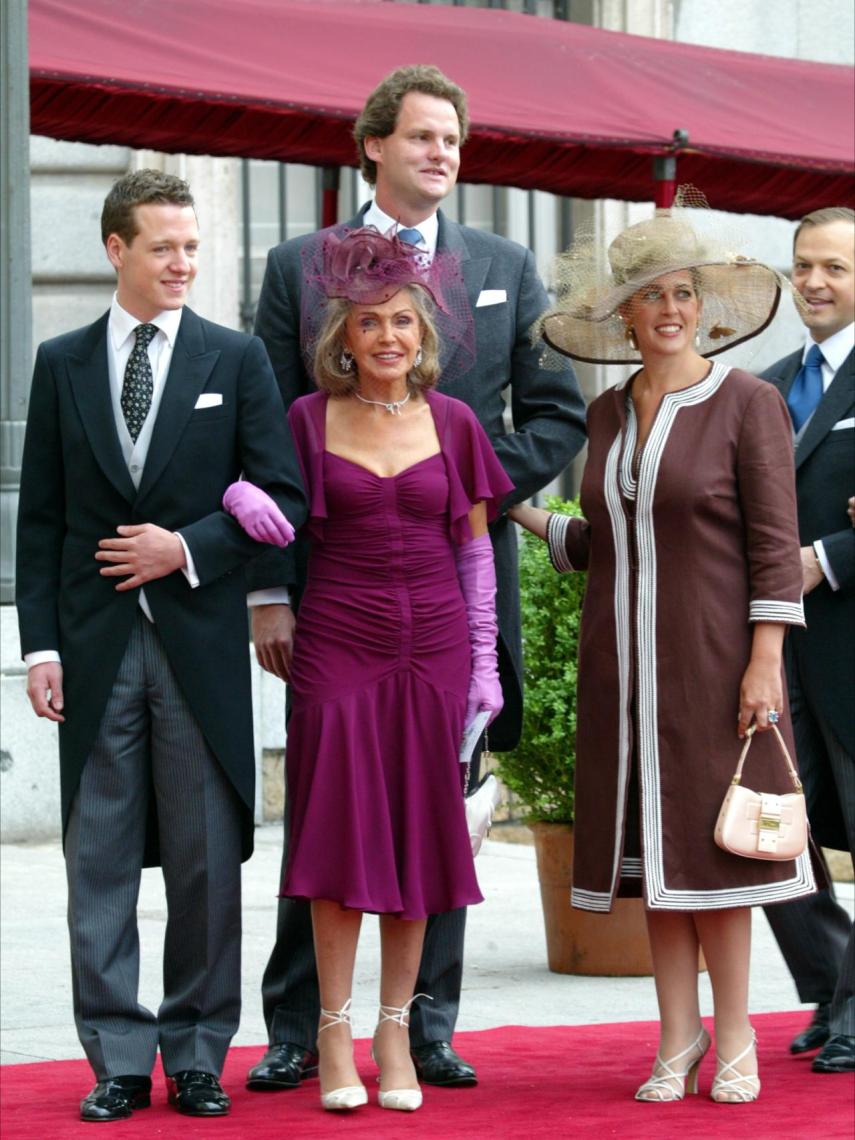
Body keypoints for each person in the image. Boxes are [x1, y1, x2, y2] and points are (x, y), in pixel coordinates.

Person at [244, 63, 586, 1091]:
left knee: (440, 811)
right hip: (331, 587)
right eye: (426, 136)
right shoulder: (297, 265)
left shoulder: (506, 264)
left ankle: (426, 1025)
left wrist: (463, 489)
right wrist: (268, 590)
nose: (444, 154)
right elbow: (265, 435)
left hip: (452, 590)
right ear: (375, 144)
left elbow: (557, 415)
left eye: (455, 140)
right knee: (330, 807)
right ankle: (303, 1028)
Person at [15, 170, 306, 1123]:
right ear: (116, 250)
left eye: (191, 246)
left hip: (198, 645)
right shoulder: (60, 362)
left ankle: (194, 1055)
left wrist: (184, 547)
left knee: (203, 863)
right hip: (94, 653)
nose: (183, 262)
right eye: (163, 247)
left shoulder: (235, 361)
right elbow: (45, 520)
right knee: (95, 862)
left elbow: (286, 503)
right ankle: (114, 1058)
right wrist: (40, 647)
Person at [508, 204, 816, 1104]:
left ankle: (736, 1042)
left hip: (716, 668)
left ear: (704, 307)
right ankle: (673, 1042)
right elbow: (601, 541)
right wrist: (512, 506)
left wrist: (764, 660)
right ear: (625, 316)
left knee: (716, 867)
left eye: (683, 293)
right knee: (658, 867)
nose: (670, 309)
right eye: (650, 296)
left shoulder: (747, 403)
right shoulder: (605, 413)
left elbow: (773, 546)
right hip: (621, 676)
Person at [226, 225, 513, 1112]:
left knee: (421, 841)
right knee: (336, 840)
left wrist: (482, 667)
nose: (388, 338)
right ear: (341, 341)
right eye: (369, 325)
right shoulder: (305, 421)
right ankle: (332, 1031)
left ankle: (399, 1030)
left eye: (402, 323)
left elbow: (474, 556)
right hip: (336, 649)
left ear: (423, 335)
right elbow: (242, 485)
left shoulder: (455, 423)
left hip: (431, 651)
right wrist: (242, 500)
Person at [761, 206, 855, 1075]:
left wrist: (828, 557)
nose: (815, 283)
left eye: (834, 267)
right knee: (773, 829)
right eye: (804, 267)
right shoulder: (764, 381)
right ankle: (833, 987)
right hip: (765, 645)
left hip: (847, 640)